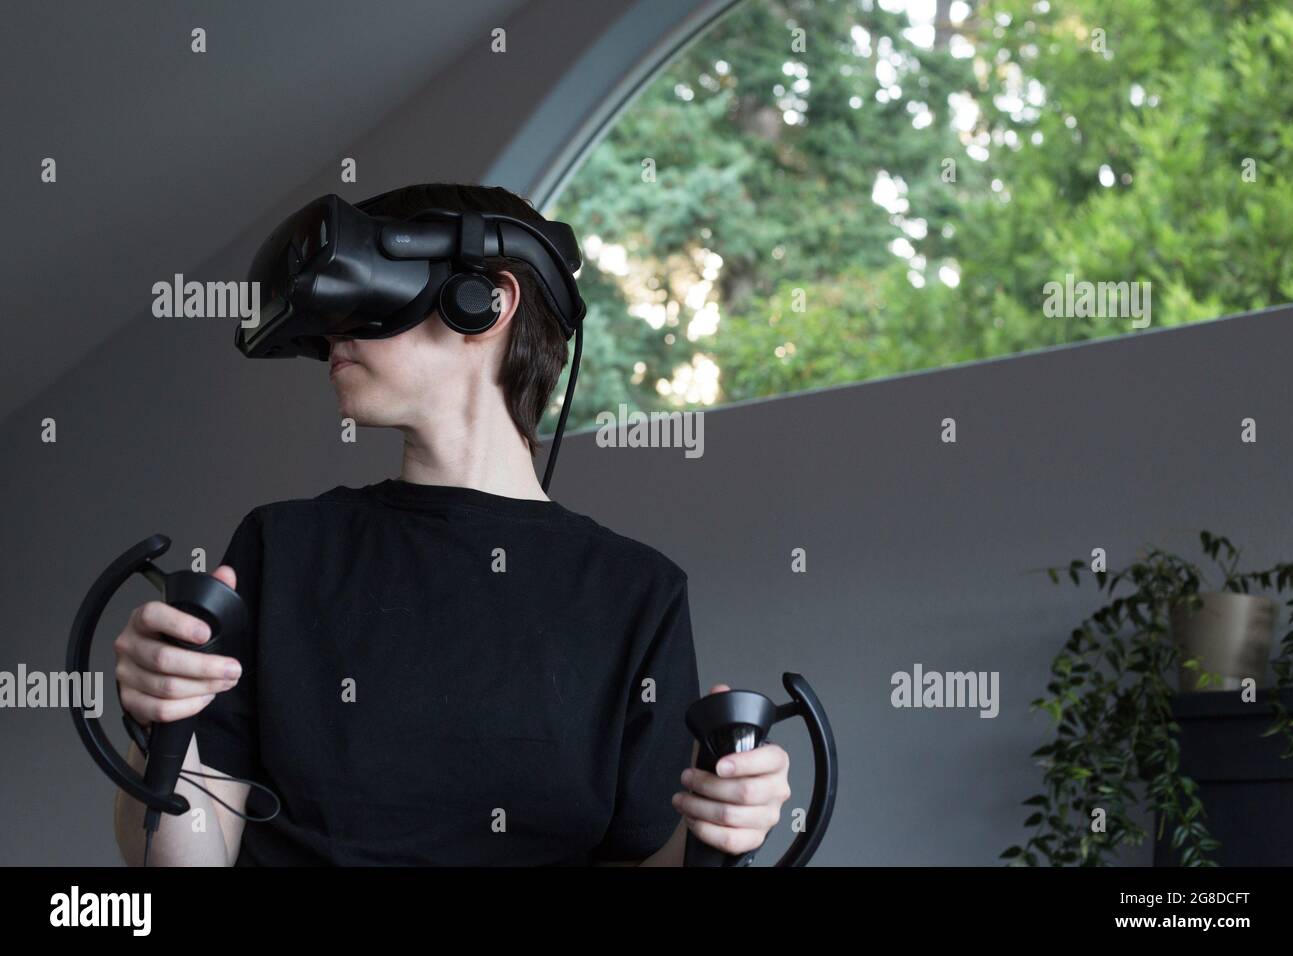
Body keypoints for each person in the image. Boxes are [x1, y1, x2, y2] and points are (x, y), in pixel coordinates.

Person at [110, 183, 791, 865]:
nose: (331, 332)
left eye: (362, 297)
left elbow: (646, 856)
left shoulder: (637, 592)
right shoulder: (281, 550)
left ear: (487, 302)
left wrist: (720, 822)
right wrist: (161, 723)